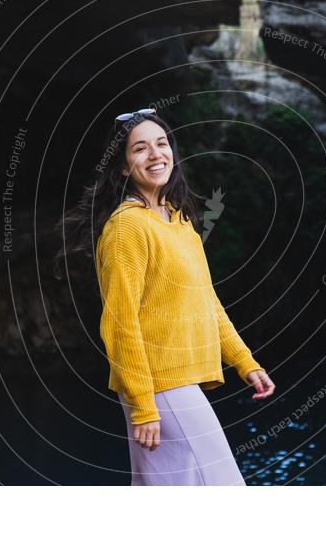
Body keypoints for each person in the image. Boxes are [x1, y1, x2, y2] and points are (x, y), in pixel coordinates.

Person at [54, 108, 275, 485]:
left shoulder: (178, 219)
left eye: (161, 143)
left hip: (174, 385)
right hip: (160, 386)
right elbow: (120, 323)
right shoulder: (127, 227)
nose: (156, 154)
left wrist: (244, 362)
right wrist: (143, 405)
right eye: (140, 148)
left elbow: (206, 301)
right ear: (123, 168)